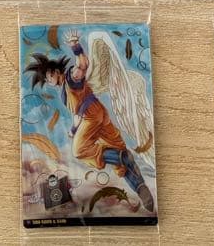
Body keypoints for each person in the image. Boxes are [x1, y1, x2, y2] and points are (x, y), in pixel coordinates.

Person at [25, 31, 155, 213]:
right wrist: (73, 129)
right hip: (98, 116)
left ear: (56, 71)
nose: (48, 81)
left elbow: (82, 65)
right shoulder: (65, 89)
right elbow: (77, 113)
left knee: (79, 150)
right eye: (46, 80)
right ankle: (142, 190)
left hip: (91, 117)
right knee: (120, 158)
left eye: (48, 77)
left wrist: (75, 46)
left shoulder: (70, 78)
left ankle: (120, 157)